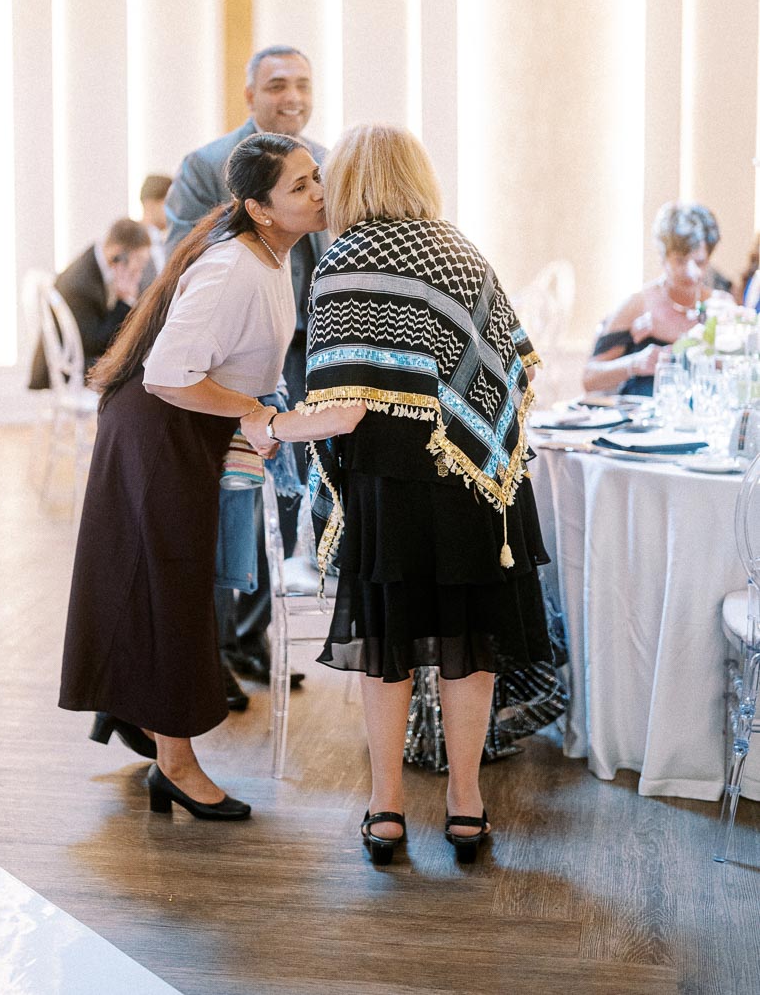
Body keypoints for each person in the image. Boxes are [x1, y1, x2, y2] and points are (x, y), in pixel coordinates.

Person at [242, 124, 552, 866]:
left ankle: (385, 806)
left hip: (391, 489)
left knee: (389, 650)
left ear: (351, 182)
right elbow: (513, 372)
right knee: (467, 646)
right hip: (474, 486)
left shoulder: (344, 263)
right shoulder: (461, 251)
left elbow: (342, 410)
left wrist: (272, 423)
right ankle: (466, 804)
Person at [58, 133, 362, 821]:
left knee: (161, 585)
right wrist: (253, 412)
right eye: (301, 187)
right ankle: (177, 766)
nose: (319, 192)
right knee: (174, 592)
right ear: (260, 208)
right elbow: (168, 373)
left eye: (316, 178)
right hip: (160, 432)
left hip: (184, 430)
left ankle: (138, 719)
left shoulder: (271, 255)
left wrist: (256, 417)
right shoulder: (235, 267)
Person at [165, 45, 327, 701]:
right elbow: (185, 256)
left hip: (301, 356)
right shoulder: (207, 167)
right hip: (231, 362)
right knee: (230, 501)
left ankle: (253, 638)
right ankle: (214, 653)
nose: (291, 97)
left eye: (302, 85)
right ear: (249, 95)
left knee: (281, 502)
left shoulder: (324, 160)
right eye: (276, 85)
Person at [583, 201, 726, 397]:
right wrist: (635, 363)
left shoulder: (720, 306)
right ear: (663, 256)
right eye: (680, 261)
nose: (690, 272)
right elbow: (590, 378)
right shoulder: (639, 304)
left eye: (699, 262)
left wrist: (682, 339)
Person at [29, 218, 151, 390]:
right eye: (138, 261)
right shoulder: (81, 285)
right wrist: (124, 301)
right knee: (139, 366)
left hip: (81, 355)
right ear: (118, 254)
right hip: (69, 367)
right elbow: (97, 342)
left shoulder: (97, 261)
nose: (140, 270)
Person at [138, 173, 172, 288]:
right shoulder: (132, 243)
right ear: (150, 204)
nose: (174, 211)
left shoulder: (166, 245)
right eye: (169, 203)